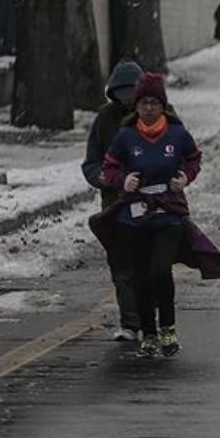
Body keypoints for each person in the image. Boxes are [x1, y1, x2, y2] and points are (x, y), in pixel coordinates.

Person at [100, 74, 204, 358]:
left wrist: (185, 178)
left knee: (160, 269)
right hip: (134, 217)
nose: (149, 109)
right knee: (141, 275)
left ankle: (168, 328)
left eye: (154, 103)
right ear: (136, 106)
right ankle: (149, 333)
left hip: (168, 212)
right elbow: (108, 169)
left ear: (163, 105)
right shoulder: (126, 135)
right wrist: (123, 181)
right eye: (144, 103)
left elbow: (194, 159)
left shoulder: (177, 134)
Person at [81, 59, 146, 341]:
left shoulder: (159, 114)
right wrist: (102, 178)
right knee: (121, 263)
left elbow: (180, 150)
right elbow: (91, 163)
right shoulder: (105, 119)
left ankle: (153, 319)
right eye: (122, 94)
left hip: (152, 203)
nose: (128, 100)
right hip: (115, 203)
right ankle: (130, 323)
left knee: (150, 262)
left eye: (132, 93)